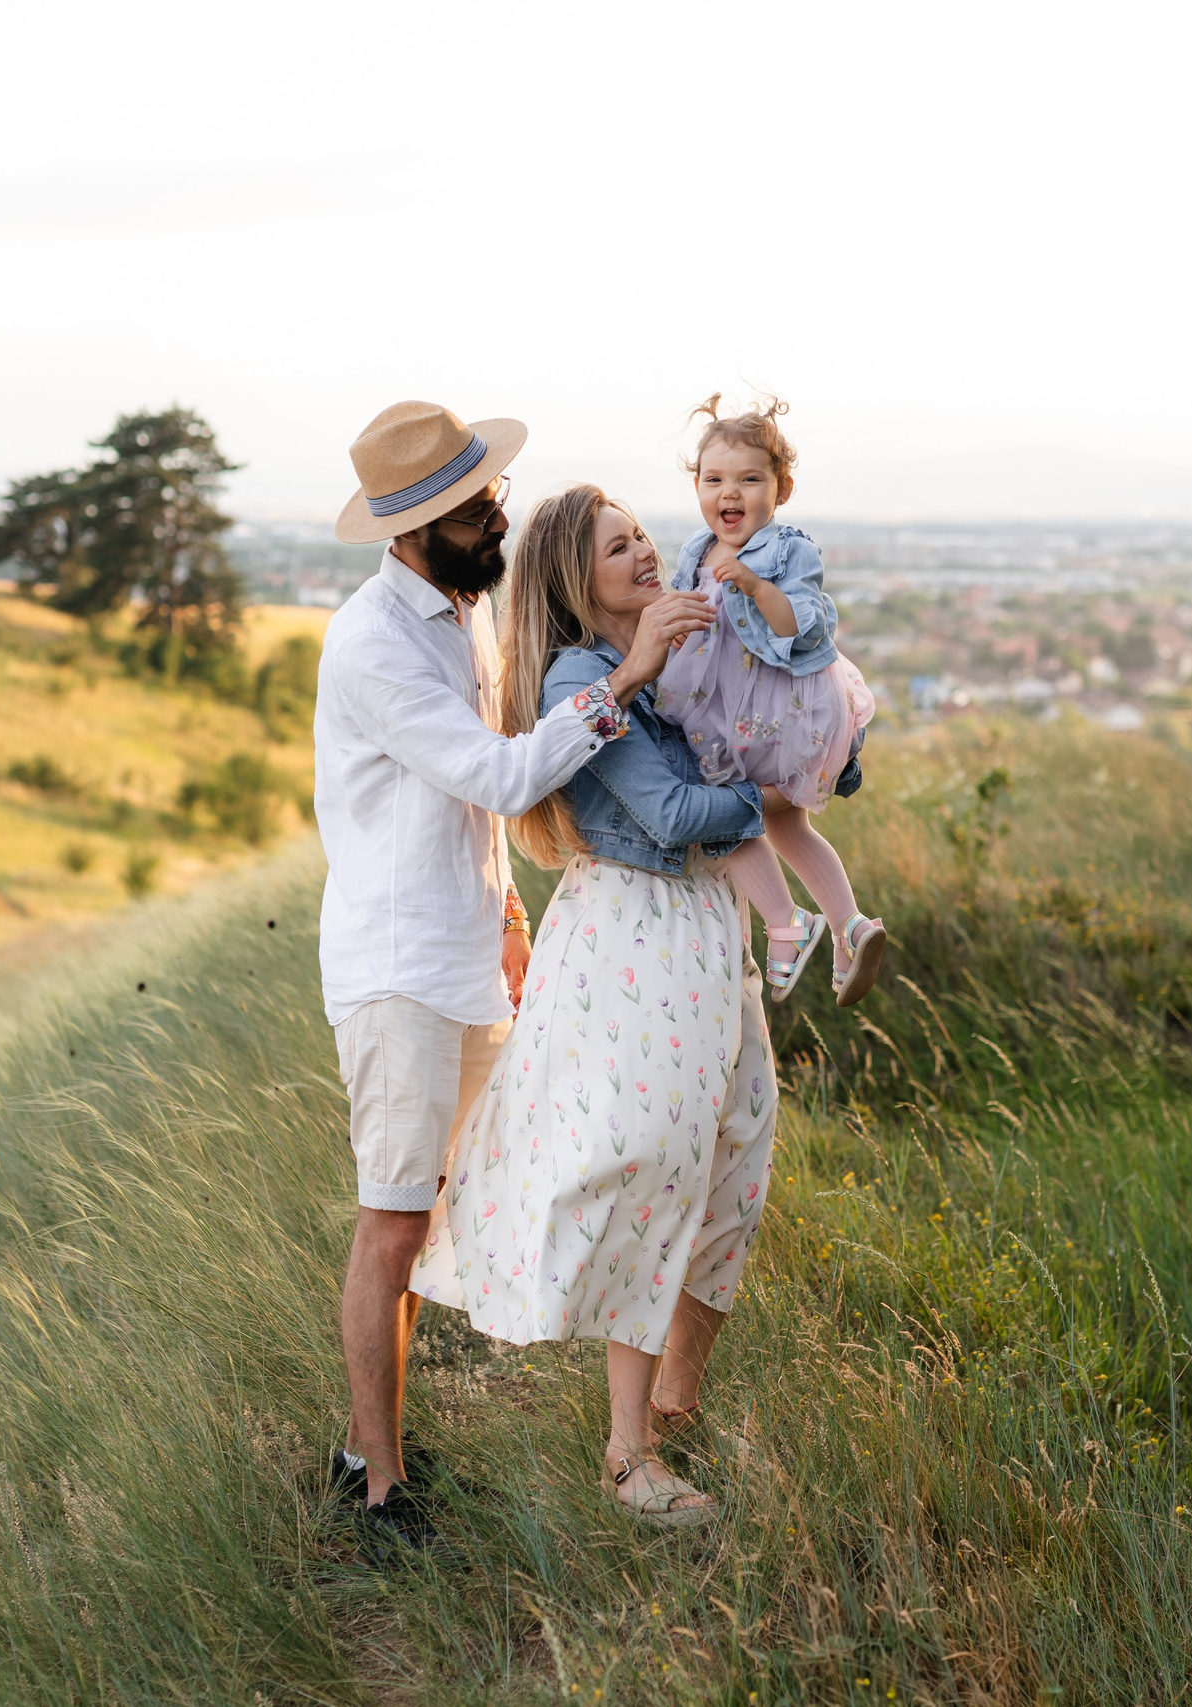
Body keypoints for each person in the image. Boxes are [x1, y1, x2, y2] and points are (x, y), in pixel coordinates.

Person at [315, 403, 713, 1557]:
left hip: (466, 950)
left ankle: (369, 1443)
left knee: (445, 1205)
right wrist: (627, 676)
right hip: (395, 968)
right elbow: (492, 776)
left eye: (493, 498)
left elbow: (456, 811)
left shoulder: (463, 610)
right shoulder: (374, 642)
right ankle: (381, 1489)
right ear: (413, 530)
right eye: (476, 510)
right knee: (392, 1222)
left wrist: (504, 914)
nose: (499, 518)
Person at [409, 484, 783, 1528]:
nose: (643, 554)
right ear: (578, 580)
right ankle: (629, 1460)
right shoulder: (589, 674)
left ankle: (677, 1401)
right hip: (634, 933)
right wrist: (771, 795)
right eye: (617, 547)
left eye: (640, 536)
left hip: (708, 930)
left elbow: (763, 722)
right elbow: (668, 816)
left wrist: (810, 750)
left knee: (738, 1149)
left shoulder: (680, 656)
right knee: (656, 1168)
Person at [650, 396, 888, 1005]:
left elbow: (796, 626)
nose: (730, 493)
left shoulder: (788, 550)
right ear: (697, 486)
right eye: (714, 480)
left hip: (779, 711)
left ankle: (787, 927)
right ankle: (850, 928)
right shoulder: (695, 551)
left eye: (749, 480)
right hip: (725, 706)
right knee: (783, 824)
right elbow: (690, 614)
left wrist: (756, 586)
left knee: (728, 810)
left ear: (780, 488)